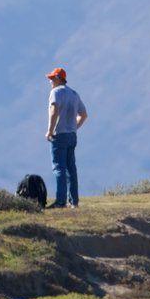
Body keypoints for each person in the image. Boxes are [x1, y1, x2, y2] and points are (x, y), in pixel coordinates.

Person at [45, 67, 88, 208]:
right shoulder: (74, 94)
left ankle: (60, 201)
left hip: (60, 135)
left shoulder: (55, 92)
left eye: (52, 78)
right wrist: (75, 127)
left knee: (59, 168)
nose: (50, 81)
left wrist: (50, 131)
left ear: (58, 78)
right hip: (72, 135)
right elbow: (84, 114)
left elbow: (54, 110)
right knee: (71, 169)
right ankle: (74, 202)